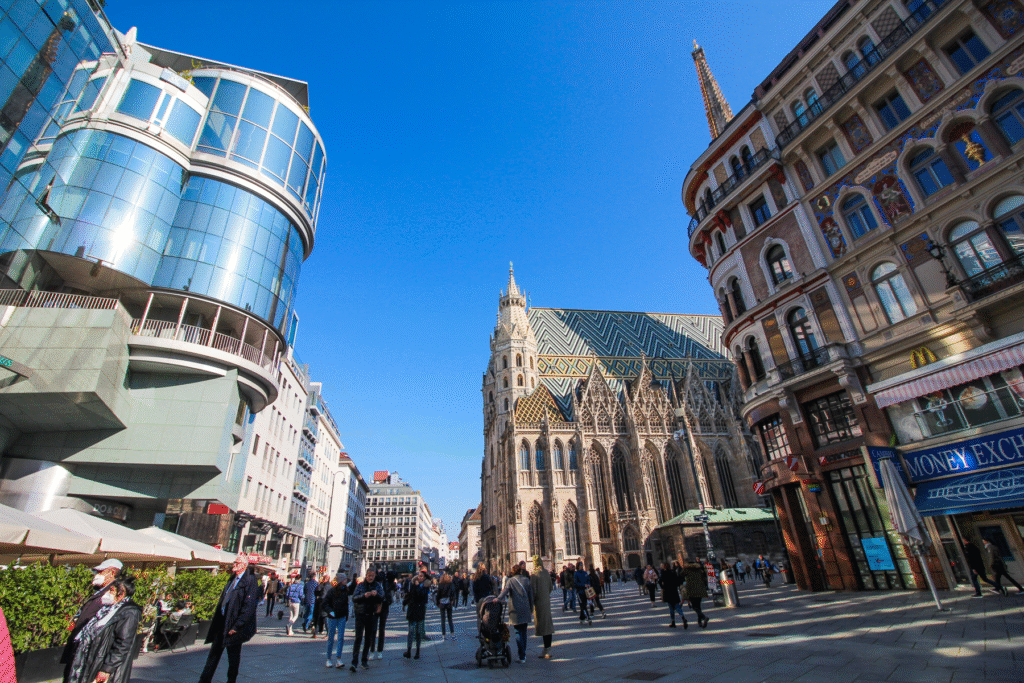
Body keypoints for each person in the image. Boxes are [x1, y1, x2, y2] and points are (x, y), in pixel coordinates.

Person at [66, 576, 141, 683]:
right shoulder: (107, 608)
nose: (107, 593)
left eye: (111, 590)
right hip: (91, 659)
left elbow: (123, 643)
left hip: (102, 664)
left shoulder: (129, 612)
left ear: (121, 593)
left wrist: (107, 668)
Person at [198, 554, 260, 683]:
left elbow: (248, 607)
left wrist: (237, 626)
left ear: (244, 565)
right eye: (234, 562)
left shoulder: (250, 580)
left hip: (234, 626)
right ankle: (204, 680)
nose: (234, 564)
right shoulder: (232, 578)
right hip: (222, 623)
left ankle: (231, 681)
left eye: (236, 563)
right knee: (213, 655)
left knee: (233, 657)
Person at [62, 558, 124, 683]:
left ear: (112, 572)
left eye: (101, 571)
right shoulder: (100, 590)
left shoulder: (112, 594)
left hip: (90, 649)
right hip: (81, 643)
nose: (97, 574)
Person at [497, 564, 533, 664]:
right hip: (525, 608)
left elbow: (505, 592)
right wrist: (531, 608)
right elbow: (531, 595)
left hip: (515, 609)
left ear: (513, 572)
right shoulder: (526, 580)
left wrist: (498, 598)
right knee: (524, 632)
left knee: (517, 632)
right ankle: (523, 655)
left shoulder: (511, 581)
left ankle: (521, 655)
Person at [350, 568, 384, 671]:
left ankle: (364, 660)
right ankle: (354, 662)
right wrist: (363, 596)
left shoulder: (377, 586)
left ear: (374, 576)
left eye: (372, 576)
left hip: (371, 614)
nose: (370, 578)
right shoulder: (360, 586)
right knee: (358, 638)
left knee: (368, 639)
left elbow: (382, 597)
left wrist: (376, 594)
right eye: (369, 576)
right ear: (366, 576)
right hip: (360, 614)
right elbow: (354, 598)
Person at [403, 568, 431, 659]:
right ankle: (409, 651)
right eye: (419, 576)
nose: (420, 577)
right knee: (411, 631)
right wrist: (404, 603)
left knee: (418, 632)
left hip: (420, 610)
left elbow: (421, 595)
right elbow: (410, 595)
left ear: (424, 578)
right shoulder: (412, 584)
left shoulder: (426, 586)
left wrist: (418, 586)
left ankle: (418, 651)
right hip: (412, 609)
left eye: (422, 576)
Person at [324, 573, 349, 668]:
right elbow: (325, 603)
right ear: (340, 581)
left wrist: (346, 615)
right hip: (332, 617)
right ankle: (328, 658)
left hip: (342, 616)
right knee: (331, 638)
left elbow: (346, 604)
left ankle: (338, 658)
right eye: (344, 579)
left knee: (341, 638)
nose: (346, 581)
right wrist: (330, 611)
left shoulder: (345, 590)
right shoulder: (332, 591)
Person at [530, 559, 554, 659]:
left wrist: (533, 602)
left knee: (543, 626)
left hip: (539, 603)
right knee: (547, 625)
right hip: (546, 602)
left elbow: (532, 590)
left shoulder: (534, 574)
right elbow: (551, 587)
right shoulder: (546, 572)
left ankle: (546, 650)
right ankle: (547, 649)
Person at [371, 570, 394, 660]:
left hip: (384, 607)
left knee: (381, 629)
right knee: (374, 629)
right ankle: (373, 650)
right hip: (376, 607)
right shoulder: (375, 584)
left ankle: (379, 650)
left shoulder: (386, 583)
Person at [681, 560, 709, 629]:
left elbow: (680, 575)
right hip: (700, 589)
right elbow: (704, 578)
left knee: (694, 606)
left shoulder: (686, 570)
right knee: (698, 606)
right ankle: (699, 622)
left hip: (691, 589)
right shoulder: (698, 569)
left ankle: (704, 617)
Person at [658, 562, 687, 629]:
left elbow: (659, 581)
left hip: (667, 591)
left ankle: (673, 621)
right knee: (677, 606)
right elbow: (677, 581)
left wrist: (662, 587)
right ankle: (683, 618)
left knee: (671, 607)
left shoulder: (664, 573)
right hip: (674, 591)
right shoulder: (673, 572)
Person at [435, 573, 456, 639]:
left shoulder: (440, 585)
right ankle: (452, 634)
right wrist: (452, 600)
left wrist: (437, 602)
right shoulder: (451, 584)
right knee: (450, 619)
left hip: (442, 603)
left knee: (443, 619)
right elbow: (453, 593)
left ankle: (444, 635)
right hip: (449, 602)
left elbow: (438, 595)